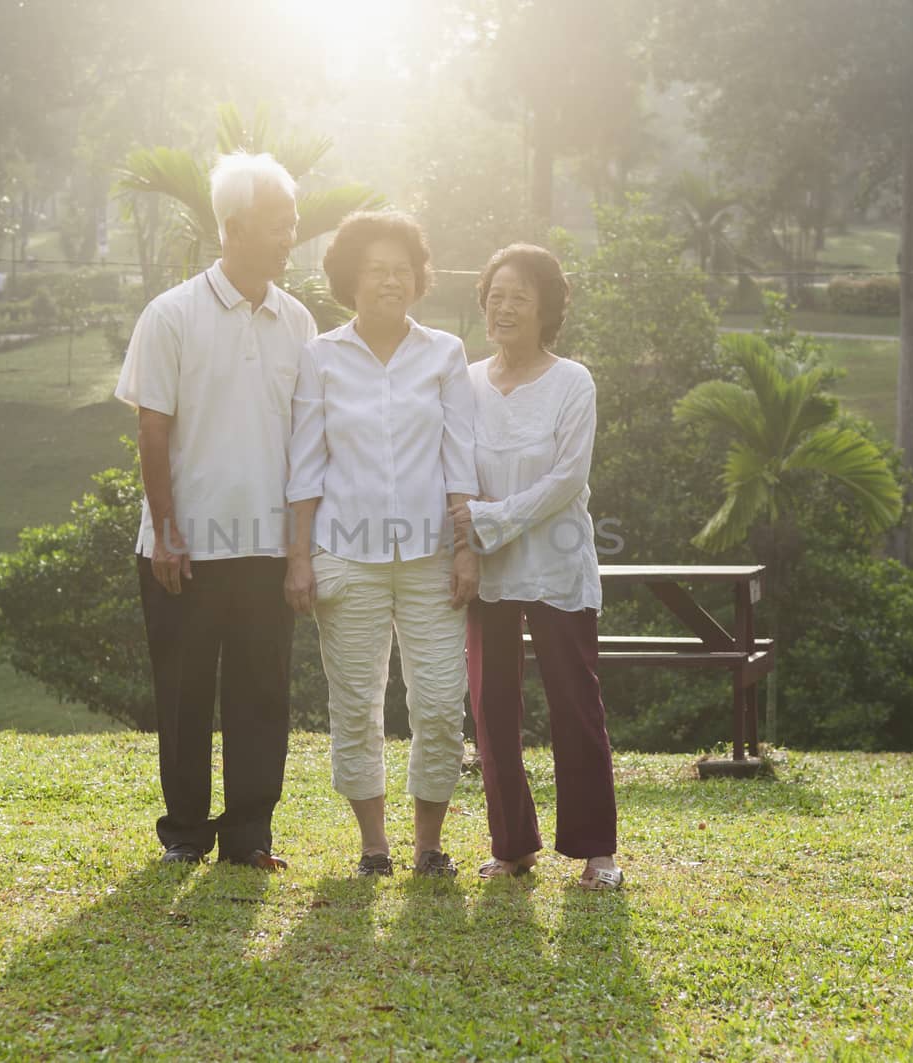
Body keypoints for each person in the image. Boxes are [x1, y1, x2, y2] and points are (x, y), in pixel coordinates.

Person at [114, 152, 316, 870]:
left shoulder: (298, 322)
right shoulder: (171, 315)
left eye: (292, 224)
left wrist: (300, 551)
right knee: (185, 694)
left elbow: (307, 444)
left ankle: (249, 835)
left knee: (262, 693)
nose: (290, 237)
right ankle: (185, 835)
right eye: (277, 225)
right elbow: (152, 430)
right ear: (232, 227)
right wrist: (166, 532)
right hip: (186, 547)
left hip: (265, 546)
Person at [285, 211, 479, 878]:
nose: (390, 280)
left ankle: (430, 845)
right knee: (356, 704)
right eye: (376, 269)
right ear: (350, 279)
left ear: (419, 278)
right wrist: (299, 556)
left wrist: (465, 547)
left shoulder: (445, 353)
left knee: (438, 702)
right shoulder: (321, 357)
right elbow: (305, 465)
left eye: (402, 269)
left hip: (431, 558)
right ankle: (374, 846)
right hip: (346, 555)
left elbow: (460, 460)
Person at [450, 243, 622, 890]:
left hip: (555, 565)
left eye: (519, 295)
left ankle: (596, 849)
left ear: (546, 307)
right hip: (487, 574)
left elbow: (565, 481)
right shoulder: (465, 381)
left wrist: (488, 522)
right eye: (495, 293)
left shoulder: (573, 382)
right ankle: (512, 843)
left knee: (575, 703)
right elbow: (456, 469)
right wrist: (471, 542)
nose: (504, 305)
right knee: (492, 707)